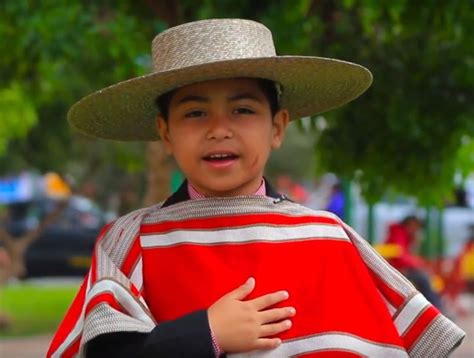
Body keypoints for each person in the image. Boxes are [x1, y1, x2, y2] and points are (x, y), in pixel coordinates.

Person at [47, 19, 465, 357]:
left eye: (243, 109)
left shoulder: (328, 239)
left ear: (277, 127)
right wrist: (205, 334)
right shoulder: (133, 241)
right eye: (194, 113)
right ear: (166, 133)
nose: (218, 130)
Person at [385, 215, 445, 310]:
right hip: (398, 269)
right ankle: (436, 308)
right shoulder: (399, 234)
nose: (416, 230)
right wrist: (418, 264)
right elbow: (400, 256)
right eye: (416, 227)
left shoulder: (404, 235)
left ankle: (435, 307)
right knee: (423, 279)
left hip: (401, 268)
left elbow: (406, 255)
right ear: (410, 224)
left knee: (426, 278)